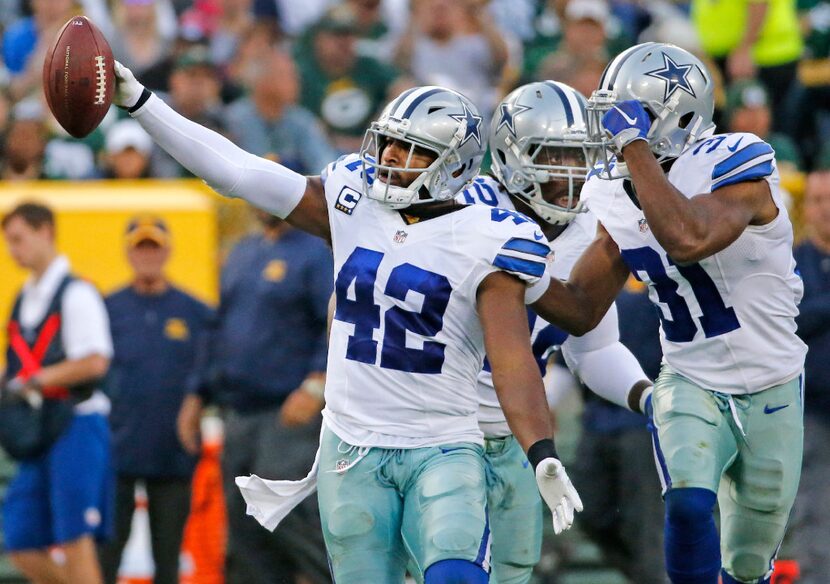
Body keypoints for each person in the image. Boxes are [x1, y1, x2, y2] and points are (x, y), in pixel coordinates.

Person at [113, 59, 581, 583]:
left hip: (444, 442)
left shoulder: (490, 234)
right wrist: (141, 103)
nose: (390, 158)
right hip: (352, 444)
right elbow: (235, 170)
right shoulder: (352, 199)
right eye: (388, 143)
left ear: (453, 166)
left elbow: (513, 358)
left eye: (411, 150)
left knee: (458, 576)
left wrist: (541, 452)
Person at [529, 42, 806, 584]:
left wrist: (634, 145)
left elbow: (688, 237)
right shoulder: (614, 190)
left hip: (772, 378)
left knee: (748, 561)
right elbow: (583, 309)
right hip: (690, 375)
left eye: (626, 117)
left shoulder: (738, 161)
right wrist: (518, 275)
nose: (611, 131)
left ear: (674, 116)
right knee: (685, 503)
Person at [452, 80, 653, 584]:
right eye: (554, 156)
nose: (569, 172)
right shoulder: (463, 208)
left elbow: (597, 347)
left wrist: (648, 397)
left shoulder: (590, 228)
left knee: (513, 571)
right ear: (510, 155)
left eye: (578, 156)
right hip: (439, 429)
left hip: (518, 435)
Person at [186, 208, 334, 584]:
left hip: (287, 409)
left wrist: (316, 384)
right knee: (244, 525)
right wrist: (197, 393)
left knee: (288, 513)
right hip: (238, 410)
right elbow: (219, 325)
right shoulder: (243, 251)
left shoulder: (315, 252)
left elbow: (334, 320)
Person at [1, 202, 114, 584]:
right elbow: (15, 365)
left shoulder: (76, 292)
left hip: (77, 423)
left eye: (19, 239)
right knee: (20, 541)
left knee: (74, 539)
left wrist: (36, 379)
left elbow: (95, 361)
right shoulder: (24, 297)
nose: (13, 250)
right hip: (39, 428)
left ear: (45, 231)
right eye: (8, 242)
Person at [99, 216, 213, 584]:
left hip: (172, 449)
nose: (147, 255)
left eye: (154, 247)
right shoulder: (107, 308)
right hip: (117, 448)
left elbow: (211, 370)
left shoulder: (195, 311)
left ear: (167, 251)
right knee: (107, 553)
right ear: (128, 253)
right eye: (140, 247)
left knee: (168, 556)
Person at [788, 170, 830, 584]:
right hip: (813, 410)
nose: (825, 208)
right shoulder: (792, 262)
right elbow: (788, 321)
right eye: (816, 199)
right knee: (814, 512)